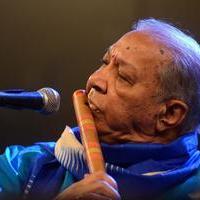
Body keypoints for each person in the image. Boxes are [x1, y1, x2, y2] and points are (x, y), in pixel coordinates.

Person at [1, 18, 200, 200]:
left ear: (169, 114)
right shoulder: (23, 165)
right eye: (104, 62)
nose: (94, 80)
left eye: (123, 76)